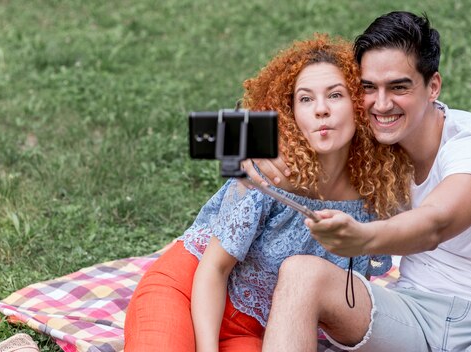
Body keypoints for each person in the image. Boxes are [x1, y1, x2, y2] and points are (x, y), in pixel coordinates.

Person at [247, 11, 471, 352]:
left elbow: (435, 225)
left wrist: (364, 239)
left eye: (399, 87)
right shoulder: (375, 146)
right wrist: (254, 149)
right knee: (301, 274)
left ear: (433, 86)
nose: (381, 105)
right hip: (412, 311)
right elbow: (304, 134)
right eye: (369, 88)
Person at [123, 34, 413, 351]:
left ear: (360, 104)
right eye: (305, 99)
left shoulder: (377, 190)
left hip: (255, 331)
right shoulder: (270, 169)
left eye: (335, 95)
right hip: (187, 290)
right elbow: (213, 270)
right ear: (290, 113)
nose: (321, 110)